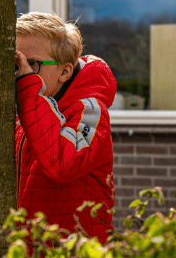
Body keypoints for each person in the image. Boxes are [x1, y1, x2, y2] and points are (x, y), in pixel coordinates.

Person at [14, 12, 116, 243]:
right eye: (17, 63)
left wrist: (29, 93)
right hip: (31, 251)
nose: (22, 72)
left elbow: (63, 164)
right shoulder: (24, 107)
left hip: (74, 255)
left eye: (32, 64)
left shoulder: (91, 111)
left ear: (65, 71)